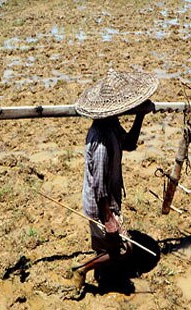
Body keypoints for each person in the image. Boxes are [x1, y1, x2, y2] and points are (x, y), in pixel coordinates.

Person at [68, 69, 159, 299]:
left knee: (106, 246)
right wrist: (108, 218)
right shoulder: (100, 138)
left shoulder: (111, 124)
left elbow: (128, 143)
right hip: (101, 204)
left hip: (107, 199)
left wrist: (140, 116)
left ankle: (103, 267)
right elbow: (98, 186)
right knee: (123, 248)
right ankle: (82, 270)